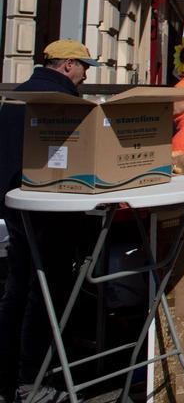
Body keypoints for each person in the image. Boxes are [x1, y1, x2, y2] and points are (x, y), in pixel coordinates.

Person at [0, 40, 98, 403]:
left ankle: (7, 375)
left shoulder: (16, 96)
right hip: (50, 211)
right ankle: (31, 382)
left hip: (16, 206)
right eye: (84, 66)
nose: (87, 74)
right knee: (45, 294)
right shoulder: (62, 102)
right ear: (68, 64)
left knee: (17, 289)